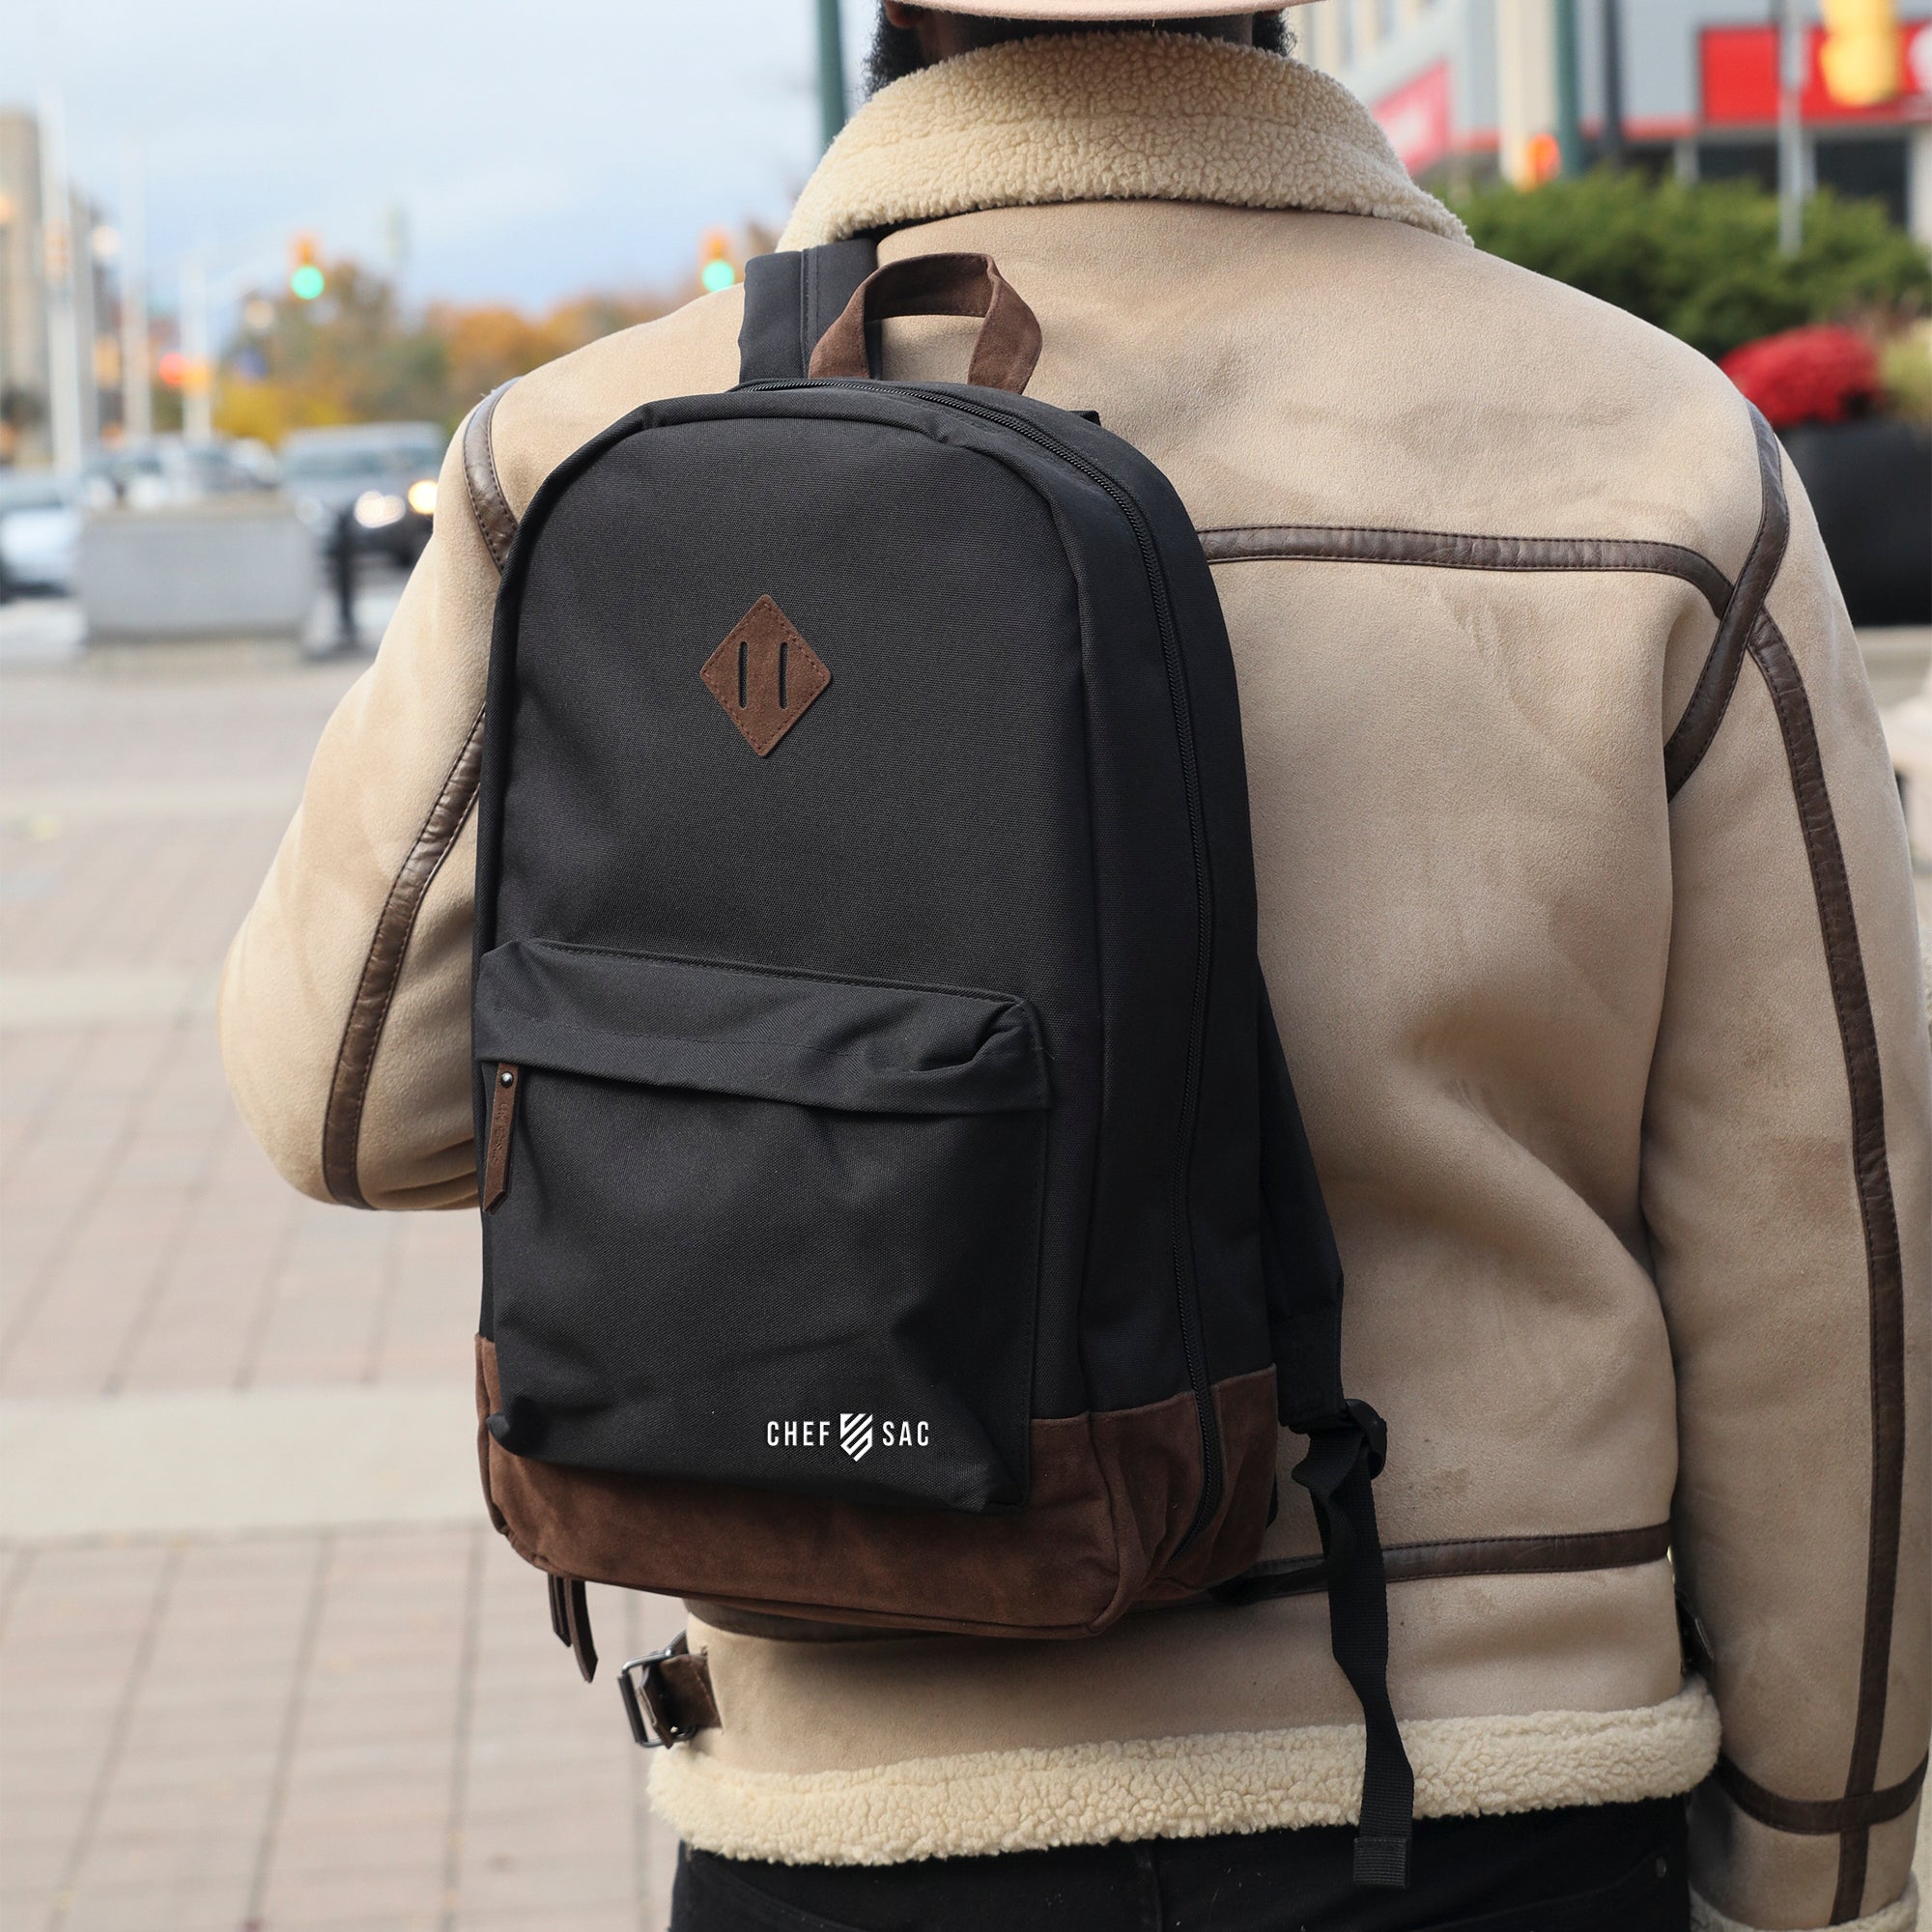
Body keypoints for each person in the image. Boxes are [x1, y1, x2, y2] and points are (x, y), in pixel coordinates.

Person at [219, 6, 1931, 1929]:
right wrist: (1822, 1858)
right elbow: (1824, 1239)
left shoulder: (590, 443)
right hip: (1479, 1793)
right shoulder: (1647, 440)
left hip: (856, 1800)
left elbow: (347, 1101)